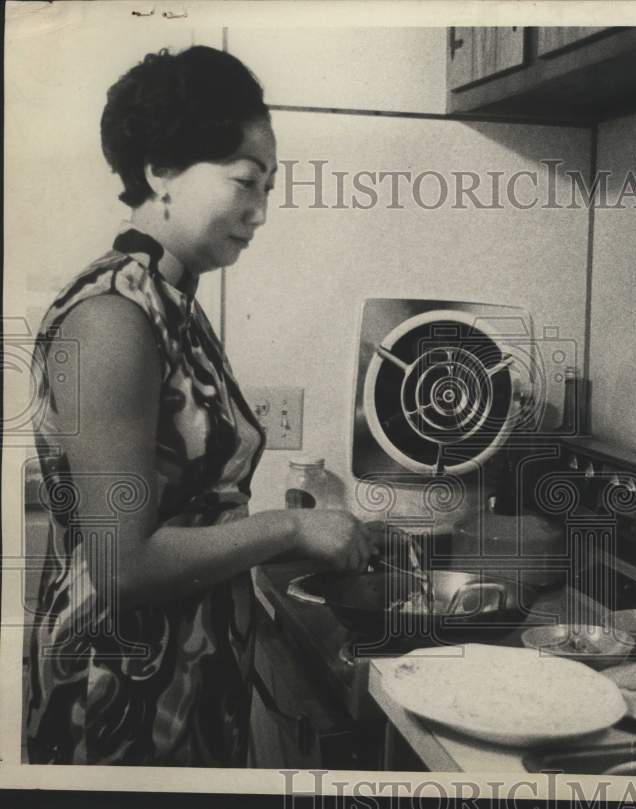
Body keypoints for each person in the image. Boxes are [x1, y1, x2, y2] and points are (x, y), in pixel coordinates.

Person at [25, 45, 375, 766]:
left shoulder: (171, 303)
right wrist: (292, 528)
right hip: (119, 696)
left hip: (189, 678)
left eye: (270, 187)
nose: (261, 211)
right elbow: (123, 565)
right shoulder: (111, 319)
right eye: (246, 181)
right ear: (160, 170)